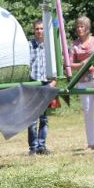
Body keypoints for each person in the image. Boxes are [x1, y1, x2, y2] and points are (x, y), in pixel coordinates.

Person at [70, 16, 94, 151]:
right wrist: (81, 64)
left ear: (87, 28)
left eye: (82, 26)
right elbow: (69, 65)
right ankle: (91, 144)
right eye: (78, 26)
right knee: (88, 113)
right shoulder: (74, 45)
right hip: (82, 82)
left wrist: (93, 62)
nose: (79, 29)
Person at [28, 20, 54, 156]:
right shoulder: (29, 46)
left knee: (43, 118)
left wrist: (54, 82)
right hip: (33, 83)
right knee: (32, 119)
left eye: (41, 28)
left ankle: (42, 146)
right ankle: (33, 147)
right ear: (34, 30)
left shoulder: (50, 47)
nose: (39, 31)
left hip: (46, 84)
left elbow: (56, 65)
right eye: (37, 29)